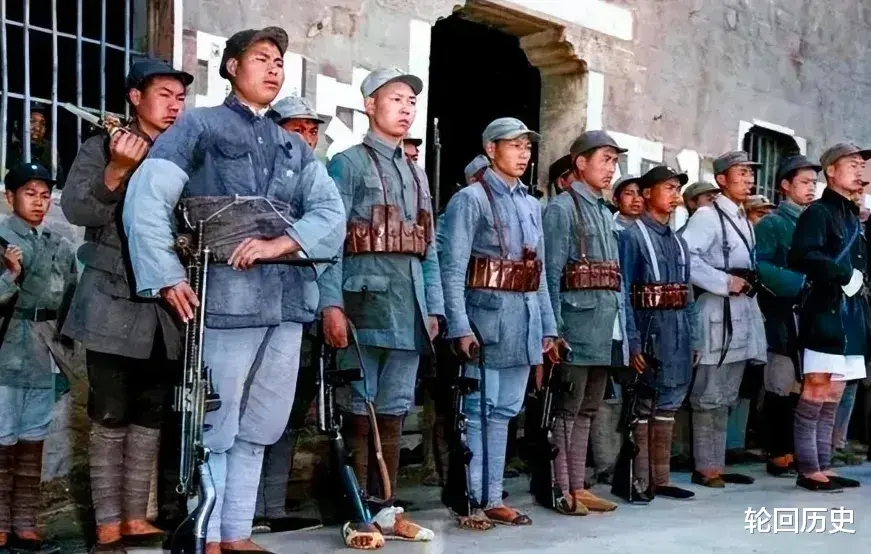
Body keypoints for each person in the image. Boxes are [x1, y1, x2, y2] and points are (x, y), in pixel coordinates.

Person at [122, 27, 345, 554]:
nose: (273, 69)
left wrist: (280, 243)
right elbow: (148, 196)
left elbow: (331, 212)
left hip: (287, 301)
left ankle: (237, 533)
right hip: (224, 297)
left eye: (279, 62)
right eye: (261, 58)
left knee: (262, 424)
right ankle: (204, 535)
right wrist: (168, 275)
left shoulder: (293, 146)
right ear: (231, 67)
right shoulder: (198, 125)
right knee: (215, 423)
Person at [60, 58, 193, 553]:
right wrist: (117, 169)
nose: (174, 106)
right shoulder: (102, 146)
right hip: (111, 301)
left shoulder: (182, 156)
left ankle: (137, 518)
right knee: (110, 412)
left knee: (151, 412)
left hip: (164, 308)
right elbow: (78, 209)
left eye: (180, 98)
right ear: (135, 97)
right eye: (164, 95)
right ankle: (108, 526)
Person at [319, 67, 443, 546]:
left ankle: (387, 509)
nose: (406, 108)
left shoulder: (416, 172)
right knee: (360, 406)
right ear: (370, 105)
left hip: (408, 307)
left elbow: (428, 245)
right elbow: (331, 239)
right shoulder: (346, 164)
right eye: (395, 99)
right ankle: (358, 513)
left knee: (393, 409)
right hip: (363, 303)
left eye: (411, 101)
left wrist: (433, 307)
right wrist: (331, 303)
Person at [440, 117, 556, 528]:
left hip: (522, 320)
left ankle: (492, 496)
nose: (524, 154)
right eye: (514, 145)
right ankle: (473, 498)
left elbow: (538, 273)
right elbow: (453, 269)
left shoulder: (531, 203)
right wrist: (459, 326)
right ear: (491, 149)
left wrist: (547, 327)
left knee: (505, 410)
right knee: (478, 410)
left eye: (527, 146)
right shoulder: (470, 199)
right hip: (485, 322)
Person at [238, 94, 328, 534]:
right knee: (244, 411)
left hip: (300, 306)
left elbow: (328, 243)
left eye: (312, 130)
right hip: (253, 308)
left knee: (286, 412)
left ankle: (271, 507)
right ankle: (243, 511)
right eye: (297, 129)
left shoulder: (317, 182)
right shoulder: (256, 171)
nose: (307, 138)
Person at [542, 130, 627, 515]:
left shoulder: (603, 211)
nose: (612, 169)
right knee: (566, 410)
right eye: (605, 160)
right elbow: (550, 274)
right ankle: (562, 488)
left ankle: (578, 485)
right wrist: (554, 330)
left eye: (614, 161)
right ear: (580, 162)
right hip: (574, 326)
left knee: (588, 409)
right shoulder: (562, 209)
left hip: (601, 326)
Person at [0, 162, 76, 554]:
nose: (39, 202)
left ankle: (25, 526)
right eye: (30, 193)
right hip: (6, 351)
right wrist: (10, 275)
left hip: (45, 350)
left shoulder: (57, 244)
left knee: (33, 439)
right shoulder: (1, 240)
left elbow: (70, 298)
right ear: (9, 197)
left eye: (45, 195)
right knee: (2, 439)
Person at [788, 143, 870, 492]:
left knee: (835, 390)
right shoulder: (819, 212)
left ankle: (824, 464)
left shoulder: (853, 215)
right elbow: (801, 255)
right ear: (831, 171)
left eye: (861, 166)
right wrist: (842, 274)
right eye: (852, 165)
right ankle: (808, 469)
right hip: (826, 309)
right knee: (817, 387)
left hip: (851, 315)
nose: (860, 171)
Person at [682, 151, 766, 488]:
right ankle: (706, 467)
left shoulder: (742, 217)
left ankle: (718, 461)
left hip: (741, 308)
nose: (748, 179)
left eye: (750, 173)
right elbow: (687, 257)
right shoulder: (707, 216)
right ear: (721, 179)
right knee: (709, 392)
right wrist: (722, 281)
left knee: (728, 392)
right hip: (716, 310)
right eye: (740, 173)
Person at [619, 165, 696, 500]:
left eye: (677, 189)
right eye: (668, 188)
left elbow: (687, 293)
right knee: (643, 404)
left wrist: (694, 337)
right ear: (648, 193)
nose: (675, 196)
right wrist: (632, 341)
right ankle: (639, 480)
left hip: (677, 330)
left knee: (669, 404)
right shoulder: (632, 236)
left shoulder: (678, 242)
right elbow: (623, 292)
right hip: (648, 329)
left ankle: (660, 479)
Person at [754, 155, 819, 477]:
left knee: (803, 386)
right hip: (780, 313)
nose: (811, 188)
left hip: (810, 314)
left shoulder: (812, 222)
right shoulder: (772, 223)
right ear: (785, 185)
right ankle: (778, 452)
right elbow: (760, 265)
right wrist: (800, 282)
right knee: (779, 384)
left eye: (813, 183)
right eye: (804, 182)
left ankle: (797, 450)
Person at [7, 104, 65, 189]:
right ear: (17, 124)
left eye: (43, 123)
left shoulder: (49, 150)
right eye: (32, 121)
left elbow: (59, 184)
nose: (38, 128)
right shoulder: (6, 146)